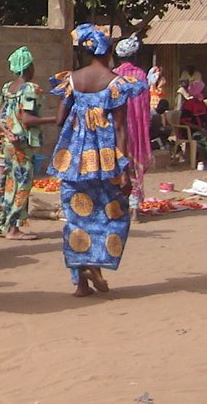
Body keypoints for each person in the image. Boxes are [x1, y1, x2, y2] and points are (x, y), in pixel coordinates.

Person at [48, 23, 146, 297]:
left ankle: (81, 283)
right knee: (112, 216)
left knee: (77, 219)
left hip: (74, 161)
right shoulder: (115, 84)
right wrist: (125, 170)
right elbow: (120, 128)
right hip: (106, 162)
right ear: (109, 50)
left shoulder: (71, 79)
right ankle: (98, 265)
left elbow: (59, 120)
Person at [0, 47, 56, 240]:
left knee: (11, 182)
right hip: (22, 144)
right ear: (28, 67)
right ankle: (13, 228)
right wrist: (55, 119)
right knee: (23, 184)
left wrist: (7, 132)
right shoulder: (30, 89)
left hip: (8, 142)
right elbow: (28, 120)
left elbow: (0, 116)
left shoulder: (8, 88)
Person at [112, 35, 152, 221]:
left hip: (118, 128)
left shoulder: (114, 75)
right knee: (135, 168)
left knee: (119, 166)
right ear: (134, 57)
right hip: (137, 128)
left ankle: (120, 207)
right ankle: (135, 209)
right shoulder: (141, 75)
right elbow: (145, 105)